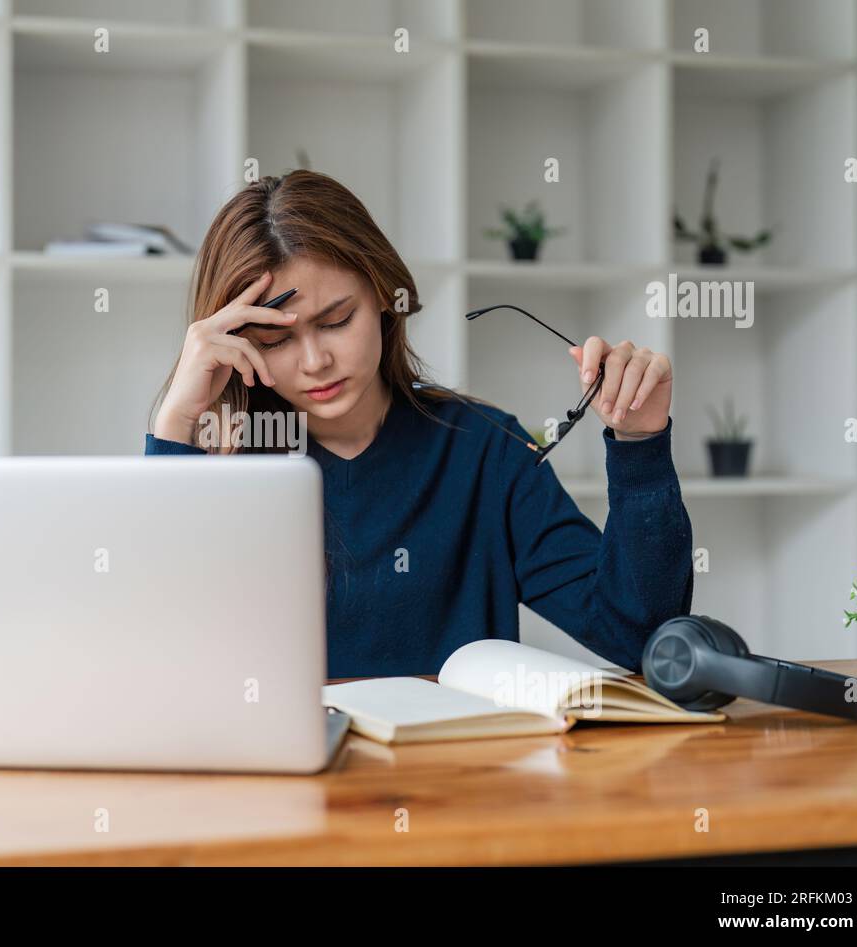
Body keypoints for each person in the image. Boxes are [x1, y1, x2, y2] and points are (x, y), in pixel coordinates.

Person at [146, 170, 692, 679]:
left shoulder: (487, 450)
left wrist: (639, 443)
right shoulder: (220, 467)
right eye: (276, 340)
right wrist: (177, 426)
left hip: (452, 775)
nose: (315, 362)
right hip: (287, 773)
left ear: (386, 297)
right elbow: (157, 656)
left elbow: (638, 633)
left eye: (336, 321)